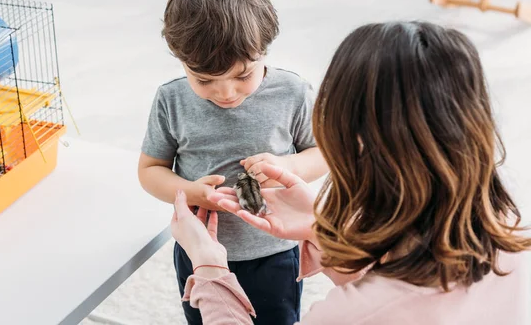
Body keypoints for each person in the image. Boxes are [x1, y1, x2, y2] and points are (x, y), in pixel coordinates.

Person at [170, 21, 531, 324]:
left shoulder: (356, 315)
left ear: (354, 146)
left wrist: (209, 269)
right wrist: (327, 232)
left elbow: (385, 301)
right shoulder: (508, 220)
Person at [138, 0, 329, 325]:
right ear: (181, 62)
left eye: (243, 75)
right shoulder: (171, 100)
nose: (226, 92)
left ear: (265, 50)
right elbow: (150, 171)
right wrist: (192, 193)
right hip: (201, 253)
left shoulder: (292, 93)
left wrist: (290, 167)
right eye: (204, 80)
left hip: (274, 251)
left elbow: (324, 153)